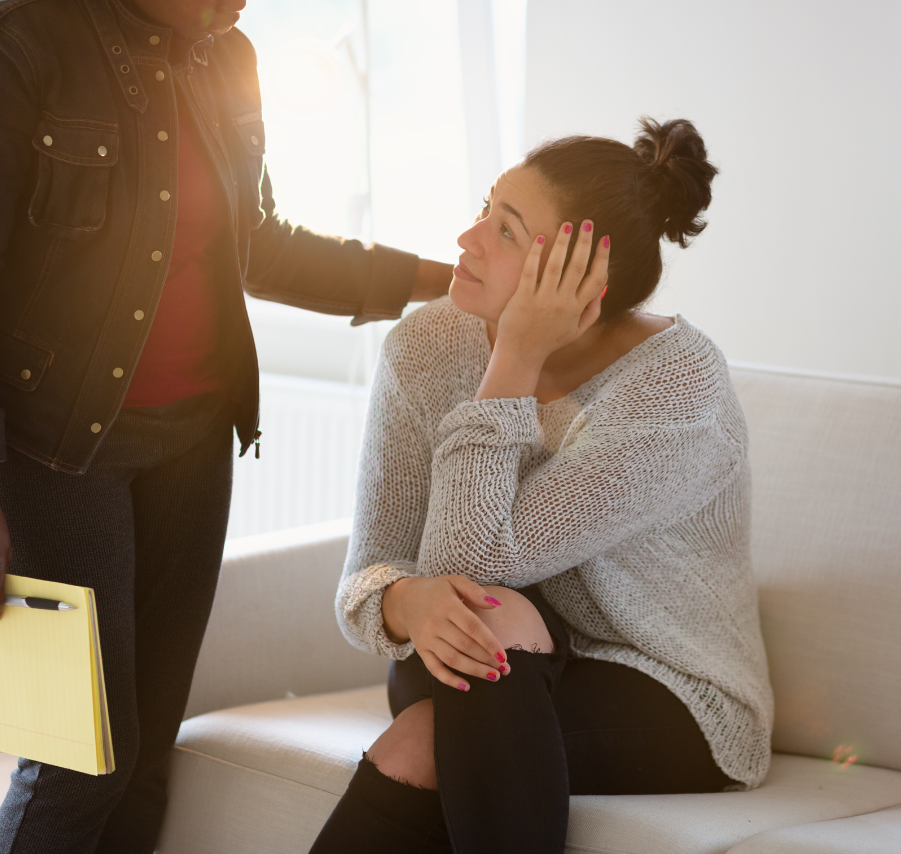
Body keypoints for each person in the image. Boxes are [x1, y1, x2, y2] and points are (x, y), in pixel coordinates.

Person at [0, 0, 451, 851]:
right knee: (85, 757)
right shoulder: (9, 47)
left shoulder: (228, 55)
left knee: (148, 753)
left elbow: (261, 246)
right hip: (58, 450)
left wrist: (448, 280)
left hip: (196, 442)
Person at [311, 118, 775, 853]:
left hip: (662, 687)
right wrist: (407, 599)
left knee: (430, 726)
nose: (466, 240)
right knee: (484, 626)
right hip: (472, 646)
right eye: (485, 209)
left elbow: (478, 560)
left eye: (506, 232)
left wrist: (515, 360)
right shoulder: (425, 347)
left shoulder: (676, 387)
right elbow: (370, 572)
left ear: (584, 279)